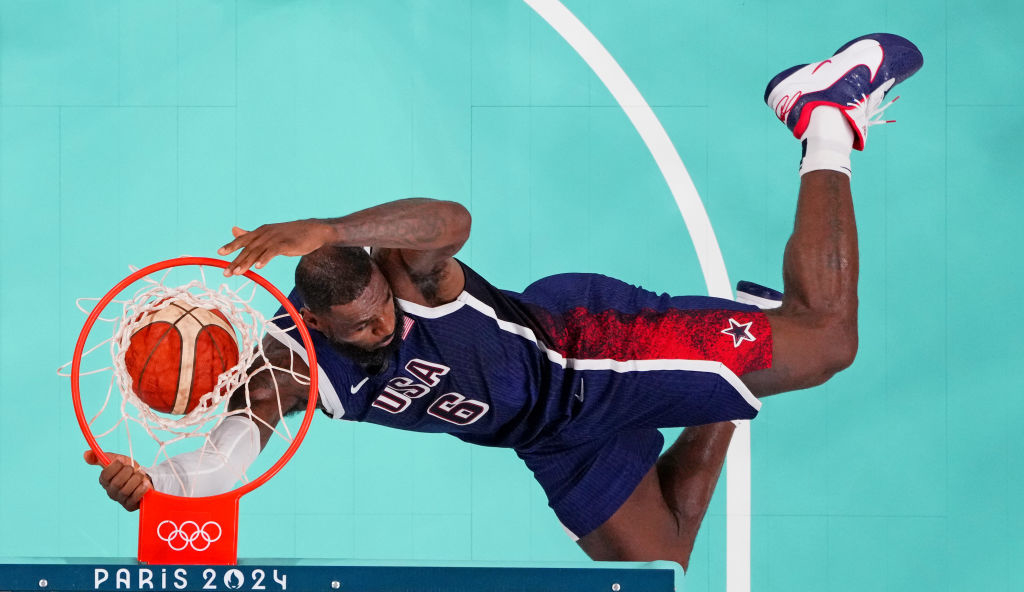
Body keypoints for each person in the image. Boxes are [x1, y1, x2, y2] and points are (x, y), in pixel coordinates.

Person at [86, 33, 922, 570]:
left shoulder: (414, 278)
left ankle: (820, 113)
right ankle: (732, 349)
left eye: (383, 307)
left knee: (827, 344)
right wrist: (152, 481)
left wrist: (329, 226)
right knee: (656, 566)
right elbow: (227, 461)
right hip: (545, 432)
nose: (382, 326)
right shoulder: (290, 374)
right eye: (365, 329)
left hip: (594, 352)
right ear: (321, 327)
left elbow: (451, 220)